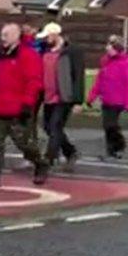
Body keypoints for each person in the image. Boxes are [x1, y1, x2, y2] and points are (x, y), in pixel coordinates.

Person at [0, 23, 49, 190]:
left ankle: (40, 163)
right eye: (2, 34)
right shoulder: (0, 56)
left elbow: (34, 81)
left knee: (24, 143)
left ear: (16, 36)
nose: (3, 38)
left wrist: (27, 103)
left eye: (6, 34)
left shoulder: (28, 55)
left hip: (18, 107)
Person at [37, 23, 83, 170]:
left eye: (47, 36)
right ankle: (70, 151)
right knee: (48, 127)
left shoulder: (71, 51)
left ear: (54, 35)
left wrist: (77, 101)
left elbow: (78, 76)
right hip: (48, 96)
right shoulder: (45, 51)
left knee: (55, 126)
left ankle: (49, 158)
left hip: (63, 96)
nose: (45, 40)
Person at [87, 35, 128, 160]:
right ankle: (111, 151)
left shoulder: (125, 63)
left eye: (111, 46)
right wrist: (91, 97)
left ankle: (119, 146)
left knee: (111, 125)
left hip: (118, 100)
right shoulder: (105, 62)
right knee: (107, 126)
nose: (108, 48)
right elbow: (99, 81)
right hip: (106, 99)